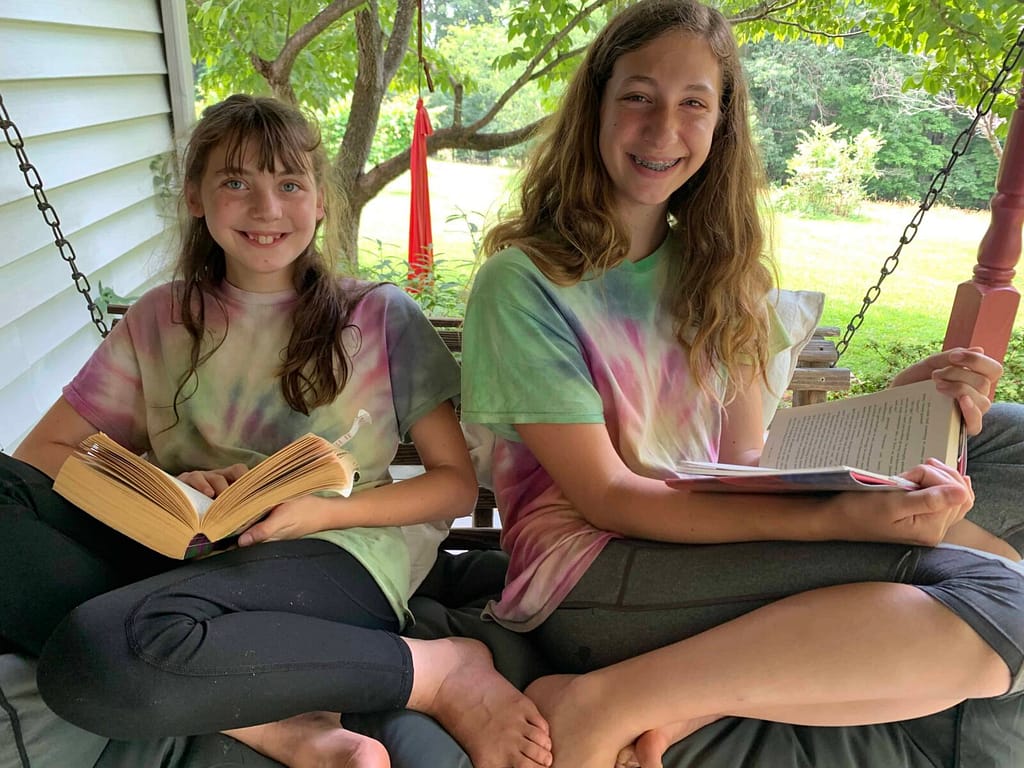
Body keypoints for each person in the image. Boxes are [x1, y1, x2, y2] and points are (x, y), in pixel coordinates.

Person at [458, 1, 1024, 766]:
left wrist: (906, 400)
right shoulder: (525, 282)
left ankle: (676, 700)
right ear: (596, 105)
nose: (664, 130)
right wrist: (837, 525)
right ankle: (603, 701)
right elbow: (609, 498)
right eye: (638, 97)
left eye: (694, 103)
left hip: (704, 548)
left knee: (1006, 459)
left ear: (721, 126)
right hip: (590, 572)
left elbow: (750, 457)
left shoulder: (724, 275)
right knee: (1001, 596)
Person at [0, 94, 552, 768]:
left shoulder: (378, 317)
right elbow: (39, 457)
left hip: (334, 554)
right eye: (236, 182)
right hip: (193, 550)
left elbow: (450, 486)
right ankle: (278, 724)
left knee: (95, 655)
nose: (267, 208)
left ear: (319, 200)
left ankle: (432, 670)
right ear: (197, 196)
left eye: (289, 183)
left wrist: (320, 510)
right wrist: (169, 482)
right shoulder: (161, 318)